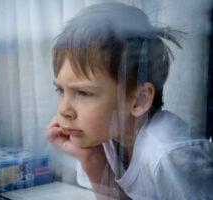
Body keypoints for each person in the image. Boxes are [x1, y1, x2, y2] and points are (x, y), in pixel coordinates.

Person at [46, 2, 213, 200]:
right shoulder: (106, 137)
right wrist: (92, 160)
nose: (64, 110)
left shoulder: (169, 154)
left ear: (139, 101)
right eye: (60, 91)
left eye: (83, 93)